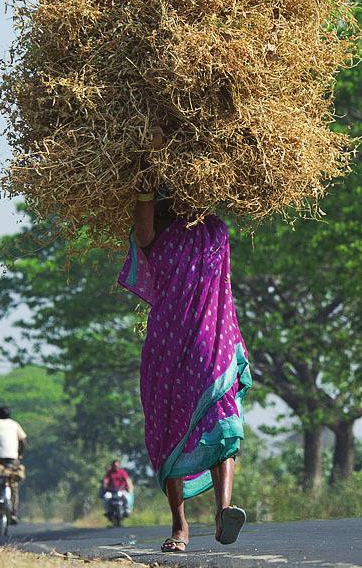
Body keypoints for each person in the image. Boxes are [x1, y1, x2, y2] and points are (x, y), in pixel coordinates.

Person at [117, 127, 252, 553]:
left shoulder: (212, 232)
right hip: (182, 348)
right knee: (187, 424)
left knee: (205, 422)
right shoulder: (163, 232)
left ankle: (205, 517)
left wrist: (171, 154)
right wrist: (151, 157)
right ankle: (198, 517)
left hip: (200, 345)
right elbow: (143, 207)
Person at [0, 405, 27, 522]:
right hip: (13, 458)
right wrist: (19, 453)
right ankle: (13, 513)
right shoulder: (14, 424)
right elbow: (23, 440)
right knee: (14, 485)